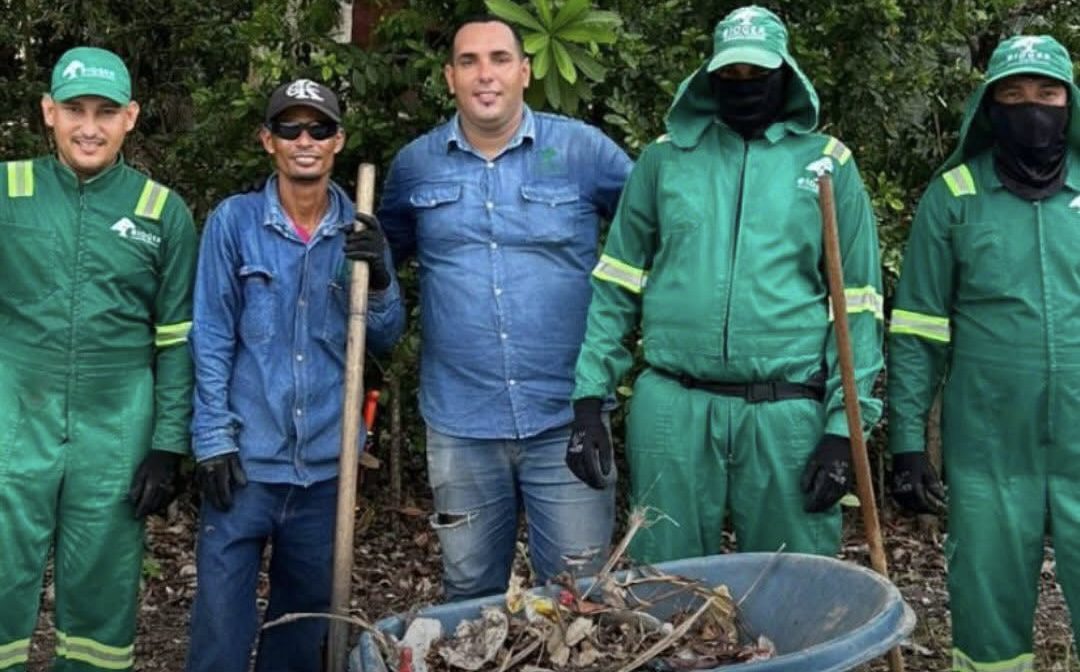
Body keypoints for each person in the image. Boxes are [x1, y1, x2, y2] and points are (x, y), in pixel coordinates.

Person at [568, 5, 884, 563]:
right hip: (674, 405)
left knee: (794, 578)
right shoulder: (665, 160)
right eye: (731, 74)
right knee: (665, 581)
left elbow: (856, 306)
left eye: (758, 73)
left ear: (786, 74)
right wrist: (589, 402)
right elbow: (616, 283)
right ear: (710, 77)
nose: (745, 85)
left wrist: (843, 430)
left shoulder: (828, 164)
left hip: (786, 410)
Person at [378, 15, 632, 601]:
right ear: (450, 78)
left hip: (566, 417)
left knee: (577, 596)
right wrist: (370, 270)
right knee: (469, 592)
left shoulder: (584, 151)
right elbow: (383, 261)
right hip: (460, 422)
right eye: (468, 61)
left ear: (525, 71)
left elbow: (650, 231)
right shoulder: (415, 165)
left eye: (499, 59)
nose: (484, 74)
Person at [185, 78, 404, 672]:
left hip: (327, 469)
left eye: (319, 128)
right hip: (246, 463)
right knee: (220, 627)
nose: (305, 140)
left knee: (302, 633)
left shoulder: (359, 230)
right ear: (268, 140)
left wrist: (380, 279)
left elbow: (385, 337)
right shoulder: (234, 223)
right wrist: (212, 439)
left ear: (338, 141)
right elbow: (211, 335)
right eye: (290, 128)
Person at [0, 46, 196, 672]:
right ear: (48, 111)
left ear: (130, 117)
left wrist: (167, 446)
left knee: (102, 589)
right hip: (13, 421)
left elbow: (177, 339)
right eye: (75, 110)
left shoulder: (162, 211)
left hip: (115, 432)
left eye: (105, 112)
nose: (89, 127)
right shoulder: (7, 192)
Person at [889, 34, 1080, 672]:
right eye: (1014, 95)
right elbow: (916, 328)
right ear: (989, 106)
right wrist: (907, 443)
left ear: (1070, 103)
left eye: (1047, 93)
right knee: (987, 607)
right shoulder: (954, 195)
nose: (1033, 108)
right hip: (989, 445)